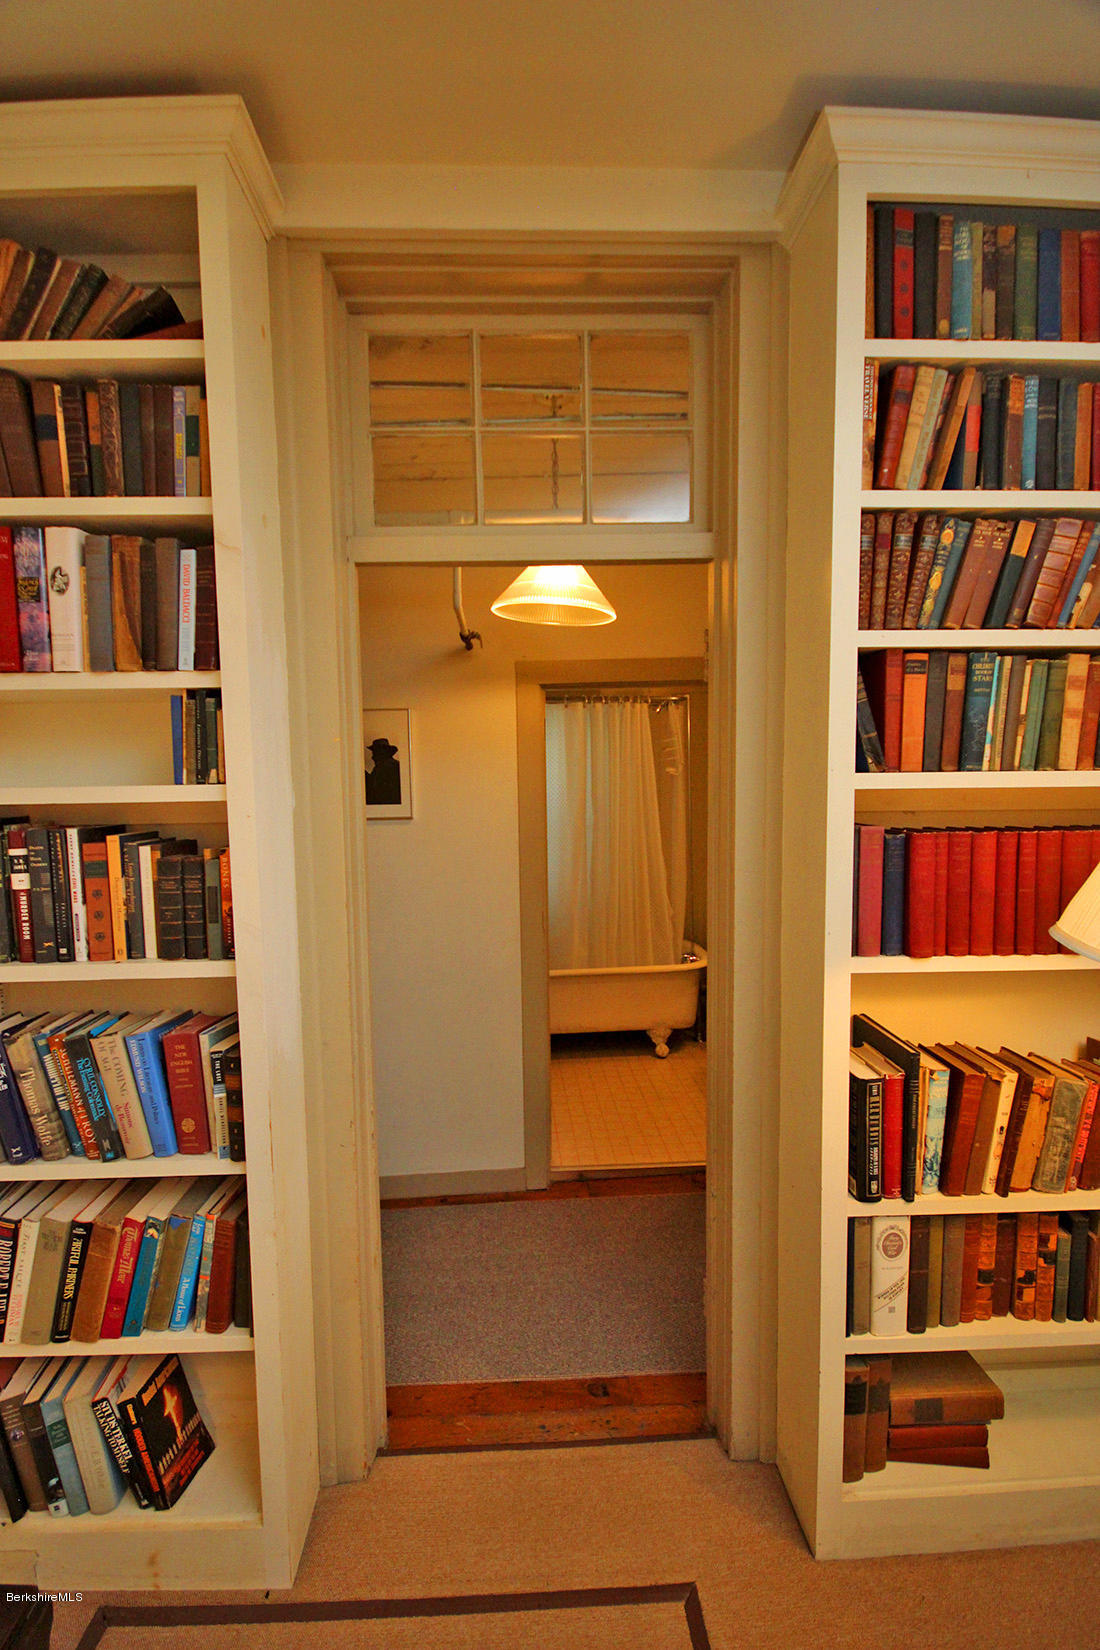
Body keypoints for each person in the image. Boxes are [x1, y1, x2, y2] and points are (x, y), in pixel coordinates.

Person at [365, 736, 401, 805]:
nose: (372, 757)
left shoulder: (383, 767)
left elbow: (376, 791)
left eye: (374, 752)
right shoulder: (395, 765)